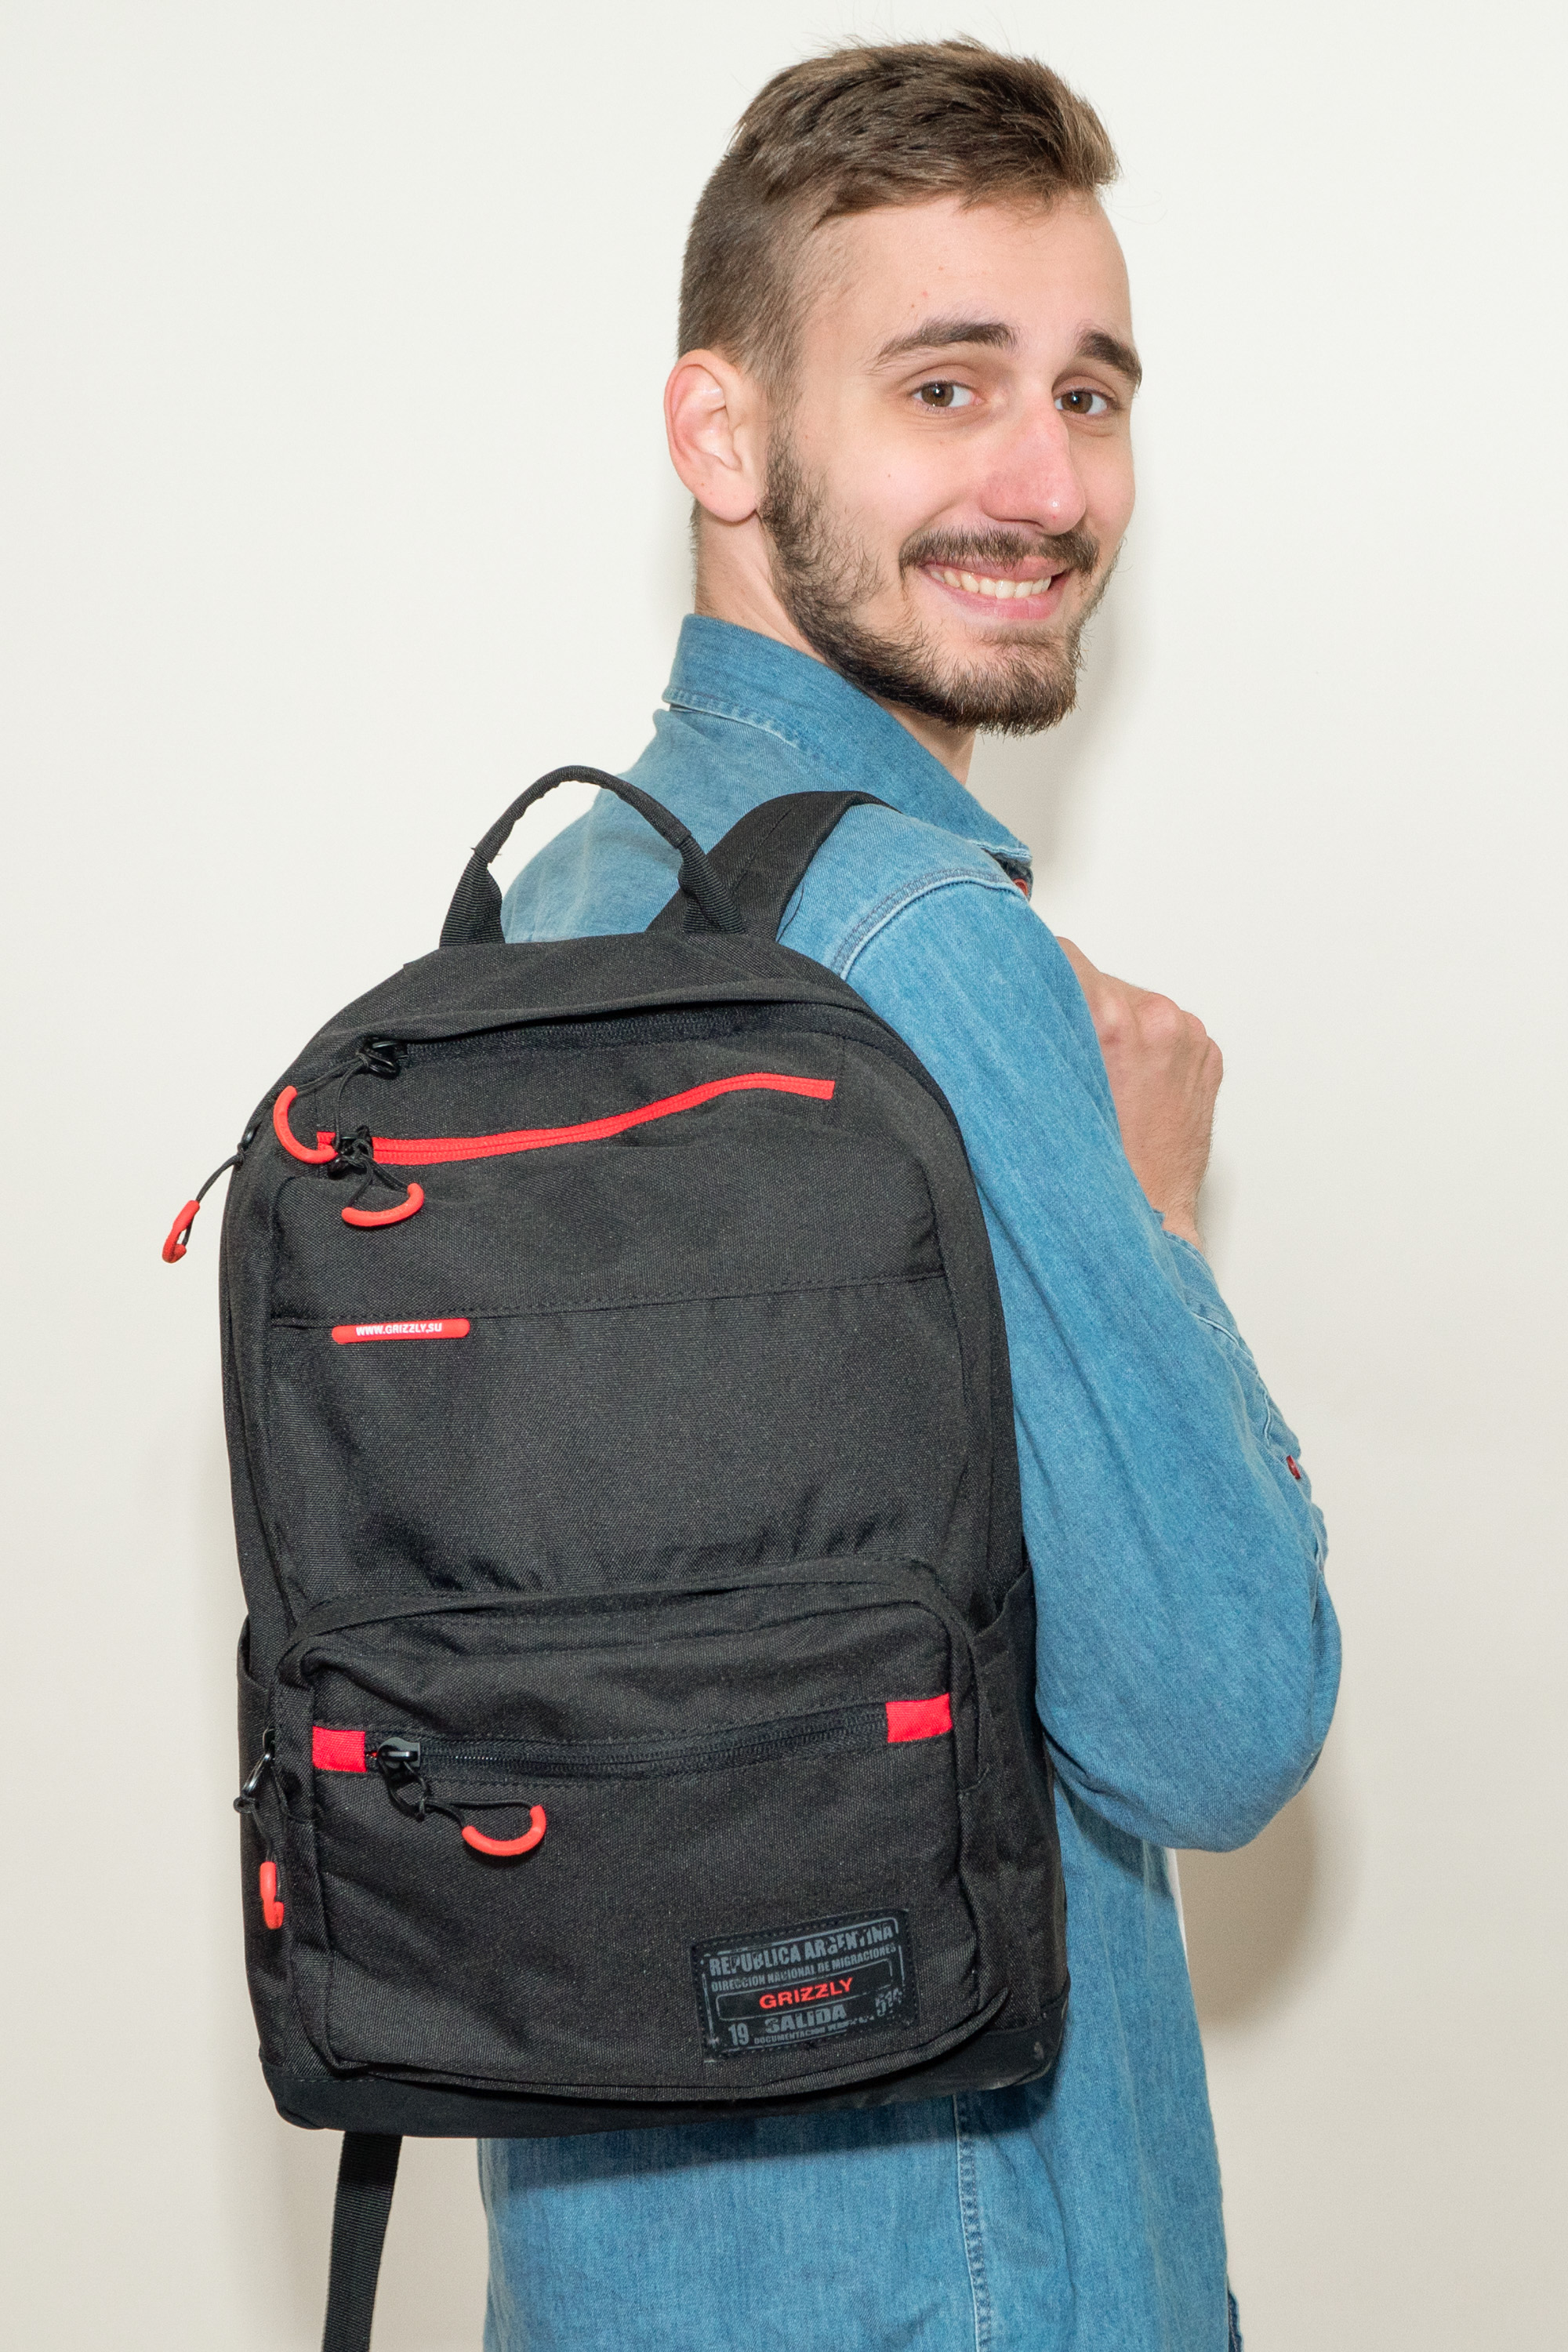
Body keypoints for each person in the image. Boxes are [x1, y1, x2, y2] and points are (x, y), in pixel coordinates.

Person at [481, 40, 1338, 2352]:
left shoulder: (549, 912)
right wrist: (1157, 1218)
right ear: (724, 433)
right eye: (946, 388)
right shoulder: (919, 947)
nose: (1046, 483)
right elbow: (1220, 1722)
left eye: (1092, 393)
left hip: (609, 2274)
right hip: (973, 2274)